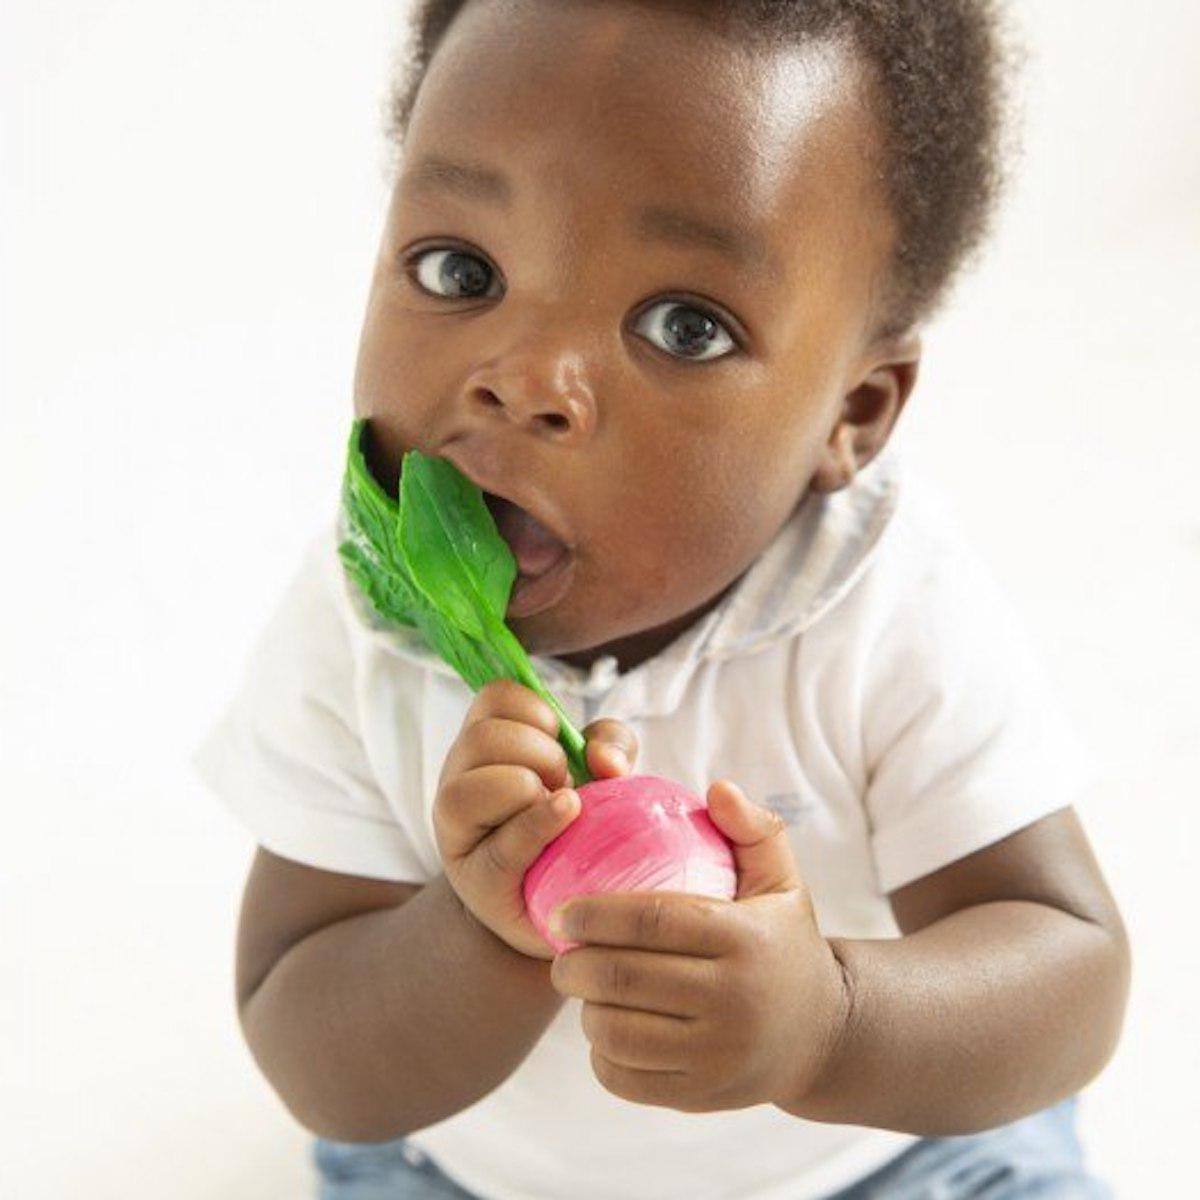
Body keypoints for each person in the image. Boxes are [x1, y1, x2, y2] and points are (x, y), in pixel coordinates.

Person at [194, 1, 1131, 1196]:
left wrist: (831, 1022)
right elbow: (317, 1058)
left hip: (877, 1161)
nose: (525, 380)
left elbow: (1071, 974)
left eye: (684, 326)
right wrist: (478, 929)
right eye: (459, 268)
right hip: (484, 1177)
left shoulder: (880, 606)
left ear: (854, 414)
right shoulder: (362, 630)